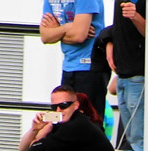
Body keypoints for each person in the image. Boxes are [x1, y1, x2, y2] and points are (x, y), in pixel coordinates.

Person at [40, 0, 107, 129]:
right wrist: (67, 27)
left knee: (89, 122)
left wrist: (57, 31)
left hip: (89, 66)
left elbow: (79, 36)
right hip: (68, 66)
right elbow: (45, 37)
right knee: (63, 119)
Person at [108, 0, 145, 151]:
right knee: (131, 141)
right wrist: (108, 43)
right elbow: (115, 28)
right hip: (123, 76)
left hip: (138, 76)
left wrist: (136, 16)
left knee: (140, 141)